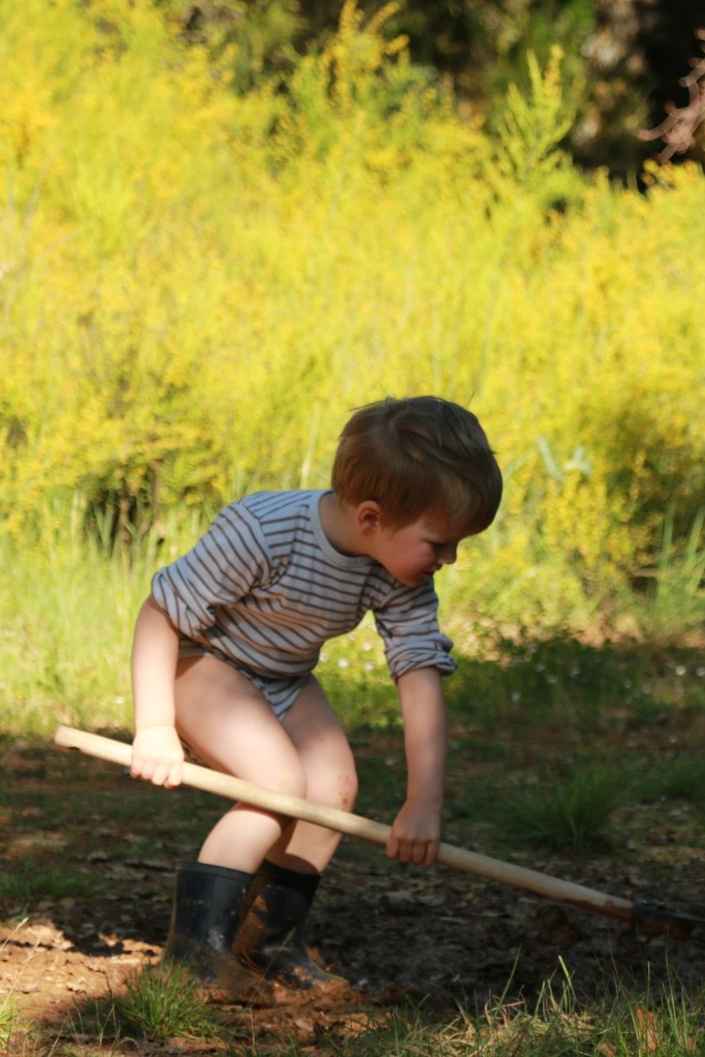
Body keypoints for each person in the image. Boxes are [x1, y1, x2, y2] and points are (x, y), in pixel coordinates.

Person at [126, 396, 502, 991]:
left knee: (332, 790)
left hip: (282, 675)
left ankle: (266, 942)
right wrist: (154, 725)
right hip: (202, 664)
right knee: (278, 787)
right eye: (439, 543)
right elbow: (159, 616)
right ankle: (194, 958)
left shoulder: (398, 571)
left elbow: (419, 676)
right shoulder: (261, 531)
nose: (449, 559)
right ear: (373, 518)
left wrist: (424, 801)